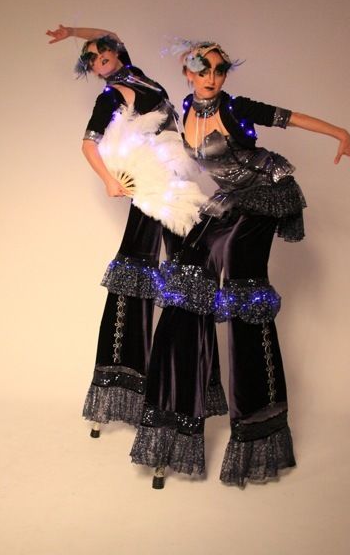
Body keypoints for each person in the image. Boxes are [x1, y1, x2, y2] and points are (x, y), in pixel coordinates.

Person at [130, 39, 350, 488]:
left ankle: (259, 428)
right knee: (188, 275)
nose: (212, 77)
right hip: (230, 197)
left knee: (240, 283)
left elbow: (292, 118)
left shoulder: (236, 107)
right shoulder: (186, 107)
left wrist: (340, 133)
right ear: (188, 72)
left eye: (220, 70)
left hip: (267, 192)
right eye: (203, 69)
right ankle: (176, 417)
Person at [46, 26, 227, 437]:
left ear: (115, 53)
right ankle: (123, 389)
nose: (100, 60)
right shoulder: (110, 95)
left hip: (175, 180)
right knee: (135, 274)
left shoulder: (136, 74)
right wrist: (110, 181)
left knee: (188, 272)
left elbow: (108, 33)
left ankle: (189, 389)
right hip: (150, 189)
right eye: (92, 60)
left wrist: (74, 31)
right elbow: (88, 144)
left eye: (103, 53)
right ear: (92, 69)